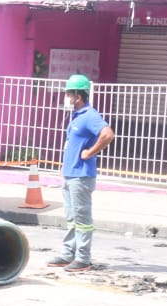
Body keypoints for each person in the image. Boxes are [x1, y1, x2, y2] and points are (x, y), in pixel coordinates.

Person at [49, 74, 115, 273]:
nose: (67, 97)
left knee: (82, 219)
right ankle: (68, 253)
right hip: (70, 174)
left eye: (69, 94)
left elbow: (108, 134)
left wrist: (90, 152)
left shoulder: (89, 115)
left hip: (81, 176)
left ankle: (83, 258)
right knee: (71, 217)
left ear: (78, 96)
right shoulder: (76, 116)